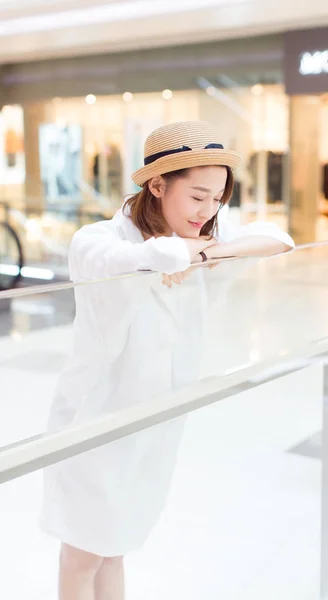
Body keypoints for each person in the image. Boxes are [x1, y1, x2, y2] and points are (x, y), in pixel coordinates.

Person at [40, 120, 294, 600]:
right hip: (94, 424)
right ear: (157, 185)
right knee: (82, 553)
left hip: (152, 422)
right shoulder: (98, 239)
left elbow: (280, 238)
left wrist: (207, 252)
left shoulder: (199, 235)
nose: (210, 210)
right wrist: (179, 253)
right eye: (198, 196)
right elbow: (133, 260)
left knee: (114, 547)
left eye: (218, 198)